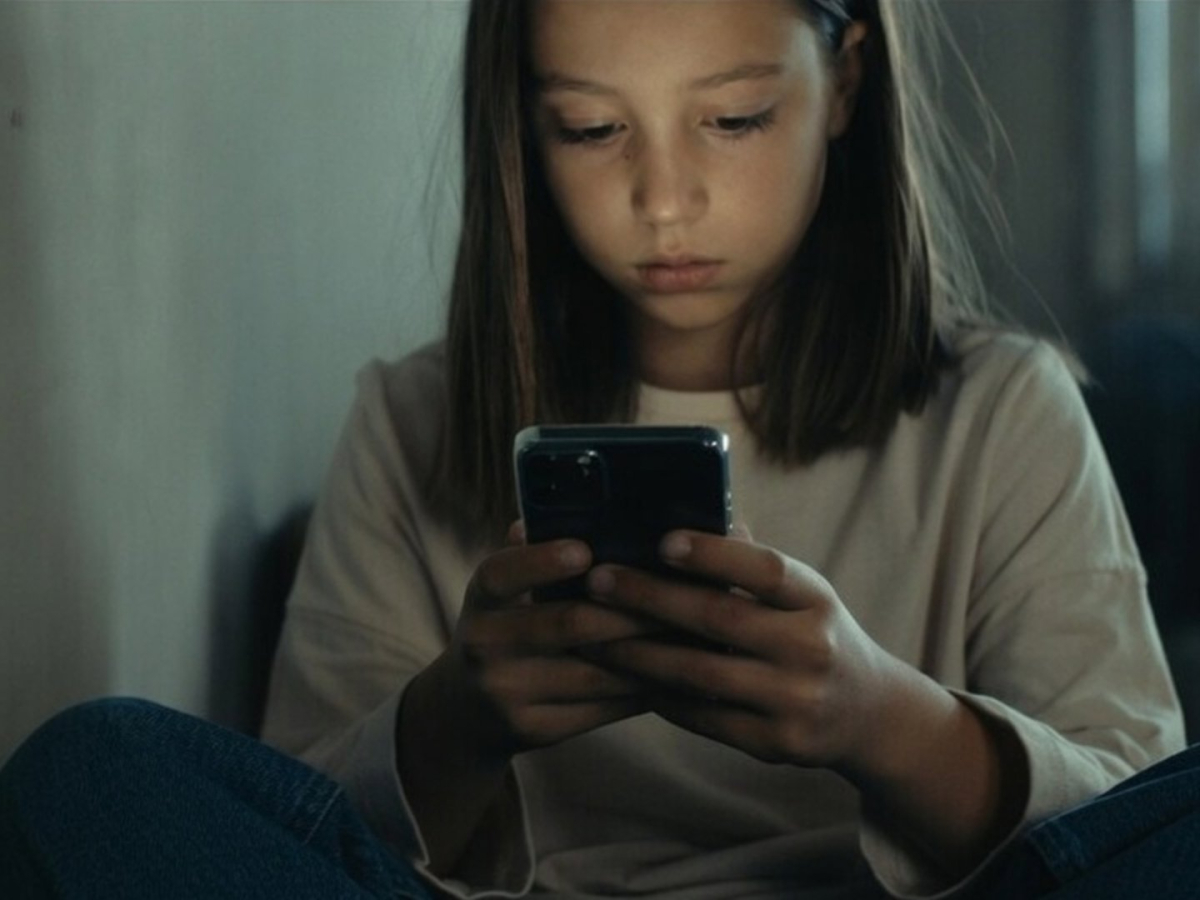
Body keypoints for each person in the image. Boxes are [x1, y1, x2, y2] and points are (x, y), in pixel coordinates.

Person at [0, 1, 1192, 898]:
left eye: (733, 118)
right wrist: (457, 721)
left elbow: (1131, 812)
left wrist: (878, 719)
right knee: (96, 769)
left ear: (843, 81)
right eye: (590, 127)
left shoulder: (1004, 410)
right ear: (522, 121)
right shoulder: (411, 420)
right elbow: (291, 829)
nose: (663, 200)